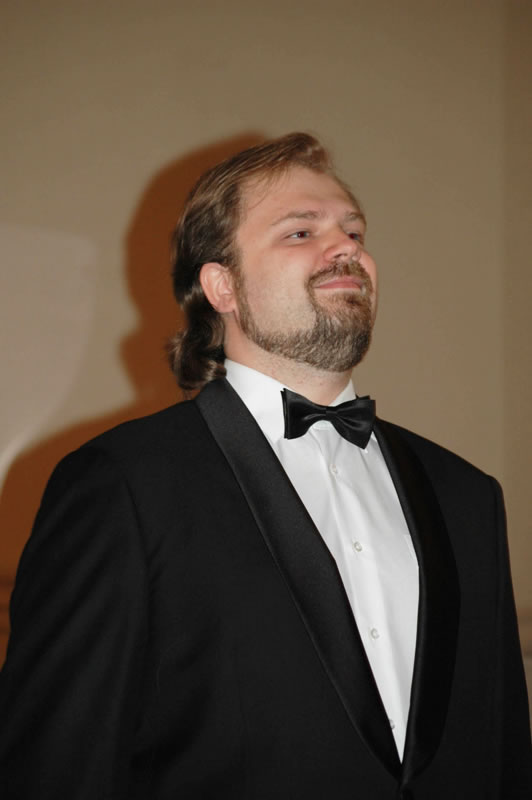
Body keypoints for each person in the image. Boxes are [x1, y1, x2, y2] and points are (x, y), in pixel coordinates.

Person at [0, 133, 531, 799]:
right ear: (222, 286)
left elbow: (504, 756)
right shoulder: (121, 485)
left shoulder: (468, 495)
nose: (346, 248)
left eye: (354, 231)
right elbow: (56, 765)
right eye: (301, 232)